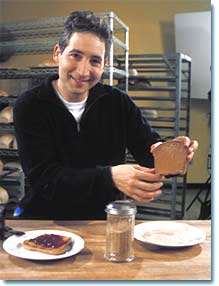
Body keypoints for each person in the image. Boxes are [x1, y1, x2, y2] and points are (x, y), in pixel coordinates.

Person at [13, 11, 198, 220]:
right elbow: (44, 180)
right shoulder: (30, 105)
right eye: (75, 55)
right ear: (58, 53)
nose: (83, 71)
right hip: (46, 219)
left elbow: (148, 150)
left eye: (94, 60)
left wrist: (171, 154)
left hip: (103, 219)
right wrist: (110, 177)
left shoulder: (117, 102)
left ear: (105, 64)